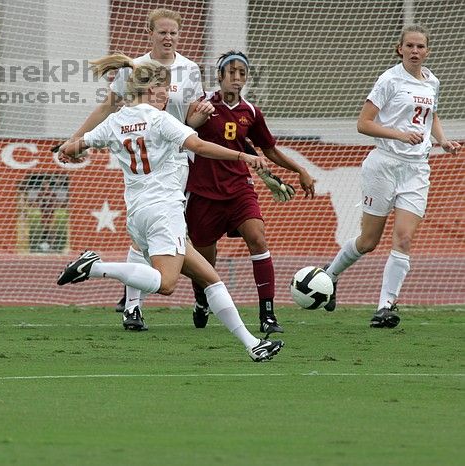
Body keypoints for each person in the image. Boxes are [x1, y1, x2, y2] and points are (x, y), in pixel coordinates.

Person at [57, 54, 284, 362]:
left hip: (138, 215)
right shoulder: (160, 119)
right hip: (164, 211)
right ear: (147, 90)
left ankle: (252, 343)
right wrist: (244, 158)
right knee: (166, 284)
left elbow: (76, 146)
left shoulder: (115, 120)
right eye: (162, 88)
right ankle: (95, 267)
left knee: (210, 278)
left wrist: (68, 150)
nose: (167, 94)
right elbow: (200, 146)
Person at [60, 8, 205, 325]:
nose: (168, 38)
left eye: (173, 33)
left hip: (175, 159)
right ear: (149, 33)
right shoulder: (133, 68)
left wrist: (200, 117)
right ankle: (137, 303)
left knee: (151, 232)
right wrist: (75, 139)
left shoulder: (190, 69)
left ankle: (135, 302)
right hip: (142, 156)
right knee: (150, 230)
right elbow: (108, 108)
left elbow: (191, 122)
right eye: (162, 32)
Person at [322, 25, 460, 327]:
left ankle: (385, 306)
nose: (415, 51)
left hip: (417, 169)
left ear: (428, 51)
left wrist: (442, 140)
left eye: (420, 47)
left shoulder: (432, 81)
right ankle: (329, 276)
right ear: (400, 49)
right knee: (369, 241)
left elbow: (431, 115)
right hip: (383, 164)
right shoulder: (389, 79)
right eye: (409, 46)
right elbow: (363, 123)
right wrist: (399, 134)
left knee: (405, 237)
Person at [184, 50, 316, 336]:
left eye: (242, 73)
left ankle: (267, 314)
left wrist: (300, 171)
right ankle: (201, 300)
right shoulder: (202, 105)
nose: (237, 78)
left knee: (257, 238)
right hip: (204, 193)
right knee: (204, 261)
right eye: (231, 72)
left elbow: (269, 150)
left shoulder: (251, 112)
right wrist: (194, 120)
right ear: (219, 76)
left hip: (240, 190)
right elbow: (181, 135)